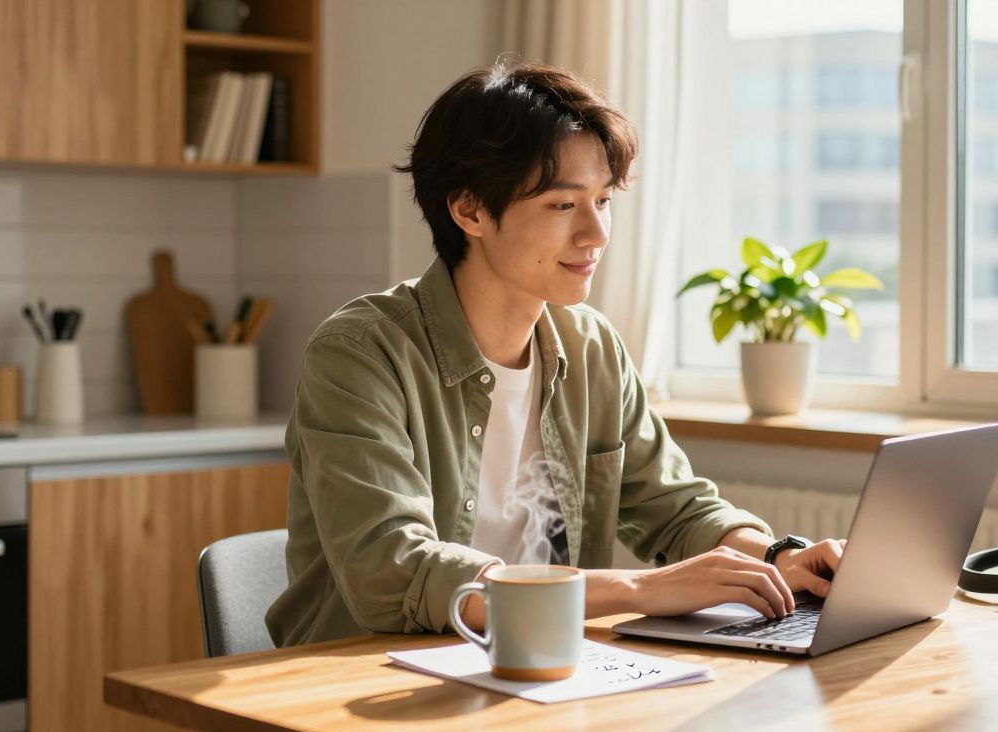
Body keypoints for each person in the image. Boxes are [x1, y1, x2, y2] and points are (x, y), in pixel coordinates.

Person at [266, 59, 845, 647]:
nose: (595, 234)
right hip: (360, 682)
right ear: (469, 210)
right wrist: (640, 590)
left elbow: (675, 507)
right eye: (564, 206)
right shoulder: (360, 355)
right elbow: (393, 570)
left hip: (543, 671)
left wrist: (775, 557)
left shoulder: (590, 347)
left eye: (604, 200)